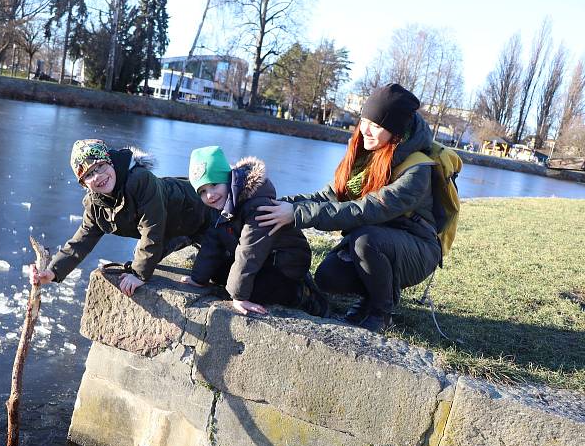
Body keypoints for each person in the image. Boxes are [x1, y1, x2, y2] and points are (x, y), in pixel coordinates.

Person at [256, 83, 442, 332]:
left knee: (366, 241)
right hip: (378, 239)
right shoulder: (366, 153)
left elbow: (366, 209)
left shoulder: (417, 170)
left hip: (417, 248)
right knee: (328, 276)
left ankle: (381, 312)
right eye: (364, 119)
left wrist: (297, 215)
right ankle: (373, 294)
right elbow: (329, 196)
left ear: (396, 132)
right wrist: (279, 204)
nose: (366, 129)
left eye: (376, 125)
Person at [32, 139, 212, 296]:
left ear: (110, 161)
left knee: (222, 276)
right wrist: (52, 272)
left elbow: (152, 228)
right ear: (83, 183)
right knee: (140, 256)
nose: (98, 176)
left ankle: (191, 240)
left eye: (100, 166)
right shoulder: (95, 205)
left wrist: (139, 275)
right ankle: (183, 238)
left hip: (206, 212)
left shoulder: (141, 181)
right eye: (88, 174)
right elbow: (81, 241)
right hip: (175, 228)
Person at [181, 146, 327, 317]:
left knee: (253, 292)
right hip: (262, 261)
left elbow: (250, 251)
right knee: (218, 273)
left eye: (214, 185)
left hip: (284, 263)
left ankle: (302, 294)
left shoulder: (257, 206)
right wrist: (198, 279)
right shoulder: (220, 206)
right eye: (202, 191)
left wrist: (239, 297)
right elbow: (212, 244)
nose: (210, 195)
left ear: (228, 180)